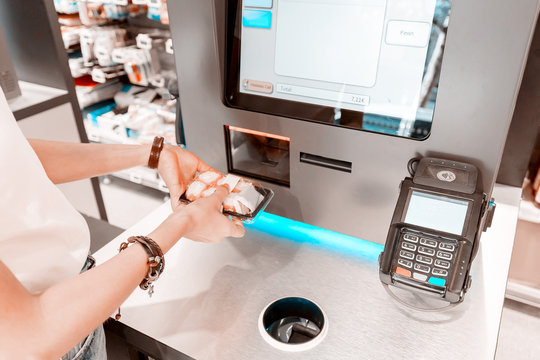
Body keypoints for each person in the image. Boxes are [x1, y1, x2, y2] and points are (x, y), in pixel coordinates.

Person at [0, 88, 245, 359]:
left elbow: (14, 158)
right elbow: (30, 336)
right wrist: (183, 222)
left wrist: (154, 153)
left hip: (75, 292)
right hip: (57, 332)